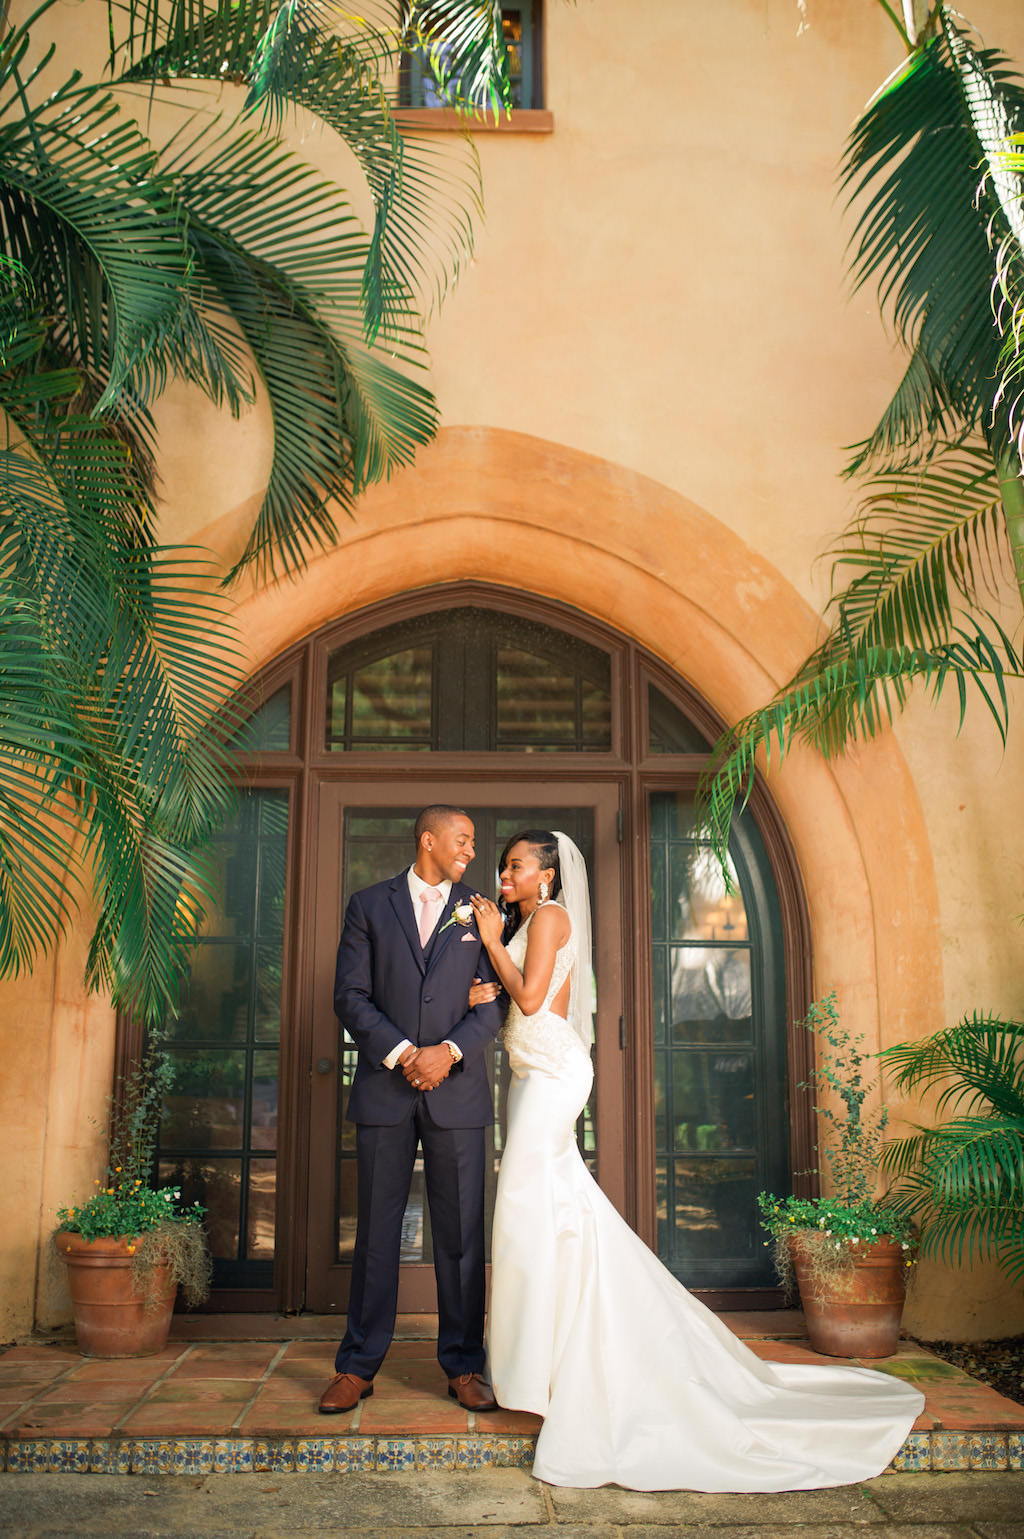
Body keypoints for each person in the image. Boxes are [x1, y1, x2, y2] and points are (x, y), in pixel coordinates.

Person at [469, 828, 925, 1493]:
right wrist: (492, 990)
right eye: (505, 866)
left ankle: (541, 1361)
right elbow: (533, 993)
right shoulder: (536, 919)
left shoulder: (552, 916)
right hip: (536, 1072)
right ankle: (546, 1356)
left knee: (524, 1207)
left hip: (552, 1076)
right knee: (551, 1210)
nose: (503, 875)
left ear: (547, 875)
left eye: (515, 865)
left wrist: (489, 943)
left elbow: (536, 998)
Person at [318, 805, 505, 1416]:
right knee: (376, 1233)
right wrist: (404, 1055)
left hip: (458, 1092)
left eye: (474, 842)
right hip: (385, 1092)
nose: (472, 851)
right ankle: (357, 1365)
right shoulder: (369, 905)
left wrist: (445, 1053)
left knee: (460, 1237)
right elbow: (351, 994)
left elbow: (496, 1002)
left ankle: (463, 1364)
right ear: (428, 840)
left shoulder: (481, 912)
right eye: (462, 839)